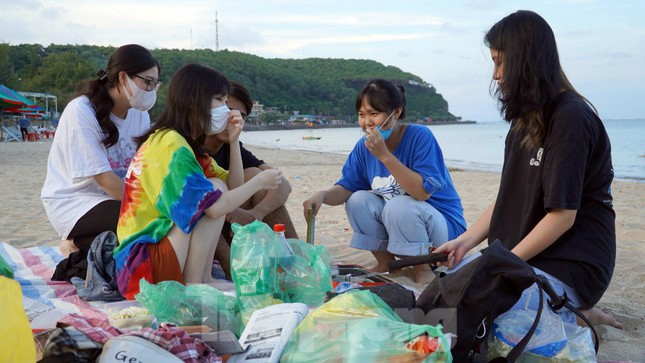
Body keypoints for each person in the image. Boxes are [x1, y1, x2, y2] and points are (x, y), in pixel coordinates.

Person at [434, 10, 621, 328]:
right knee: (445, 294)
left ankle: (580, 313)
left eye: (500, 62)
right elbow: (510, 197)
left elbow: (562, 216)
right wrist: (465, 241)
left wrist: (503, 264)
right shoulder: (523, 121)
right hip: (527, 253)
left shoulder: (571, 118)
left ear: (526, 60)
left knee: (486, 314)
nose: (495, 75)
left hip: (573, 260)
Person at [113, 63, 282, 299]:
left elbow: (233, 188)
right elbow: (215, 208)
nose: (226, 109)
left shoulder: (185, 144)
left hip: (153, 258)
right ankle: (196, 281)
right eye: (219, 100)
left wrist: (234, 142)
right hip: (142, 268)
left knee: (217, 187)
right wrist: (260, 182)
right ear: (194, 102)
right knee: (212, 191)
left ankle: (202, 279)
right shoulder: (170, 145)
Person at [303, 79, 466, 284]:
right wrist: (323, 195)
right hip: (405, 227)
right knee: (358, 199)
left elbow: (422, 193)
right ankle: (387, 264)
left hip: (444, 233)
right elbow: (347, 187)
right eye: (362, 115)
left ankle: (423, 271)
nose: (367, 122)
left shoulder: (419, 136)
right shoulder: (364, 147)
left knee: (399, 205)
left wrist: (385, 156)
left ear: (396, 113)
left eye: (374, 114)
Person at [41, 44, 159, 281]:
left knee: (150, 225)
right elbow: (104, 178)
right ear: (123, 77)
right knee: (145, 220)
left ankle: (85, 243)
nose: (151, 89)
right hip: (75, 201)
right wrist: (152, 205)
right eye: (147, 82)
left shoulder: (139, 114)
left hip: (113, 197)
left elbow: (147, 165)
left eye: (155, 84)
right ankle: (77, 240)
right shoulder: (81, 110)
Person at [203, 81, 298, 278]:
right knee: (235, 183)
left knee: (257, 177)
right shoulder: (190, 146)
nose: (233, 118)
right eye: (227, 109)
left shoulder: (231, 146)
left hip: (233, 226)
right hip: (204, 230)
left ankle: (293, 265)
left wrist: (256, 214)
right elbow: (203, 207)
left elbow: (283, 185)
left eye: (241, 116)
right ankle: (233, 268)